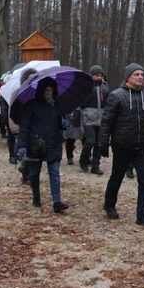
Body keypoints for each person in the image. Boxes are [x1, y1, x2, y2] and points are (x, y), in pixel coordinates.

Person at [99, 63, 144, 227]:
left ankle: (142, 214)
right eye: (136, 74)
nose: (139, 77)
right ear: (128, 77)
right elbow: (107, 121)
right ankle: (109, 204)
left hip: (142, 146)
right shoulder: (116, 96)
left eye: (141, 75)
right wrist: (103, 143)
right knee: (116, 177)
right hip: (122, 145)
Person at [15, 77, 70, 212]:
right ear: (41, 91)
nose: (48, 93)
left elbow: (61, 120)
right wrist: (22, 145)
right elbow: (24, 126)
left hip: (54, 142)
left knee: (54, 172)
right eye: (46, 90)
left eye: (51, 90)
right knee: (34, 173)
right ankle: (36, 196)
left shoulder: (58, 104)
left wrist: (64, 124)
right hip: (35, 144)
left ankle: (57, 201)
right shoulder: (31, 105)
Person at [79, 65, 108, 175]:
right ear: (91, 76)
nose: (99, 77)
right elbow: (80, 104)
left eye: (100, 75)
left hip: (101, 118)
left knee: (99, 144)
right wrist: (78, 117)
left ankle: (95, 165)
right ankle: (83, 159)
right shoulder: (86, 88)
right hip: (88, 119)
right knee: (90, 141)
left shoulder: (105, 87)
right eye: (96, 75)